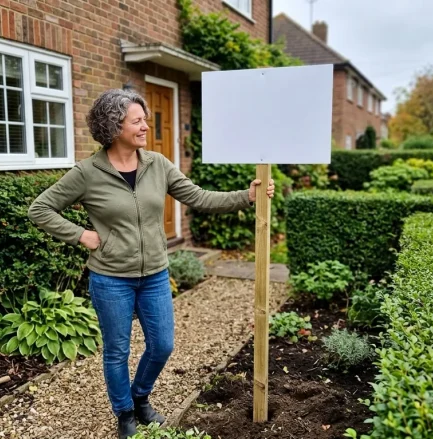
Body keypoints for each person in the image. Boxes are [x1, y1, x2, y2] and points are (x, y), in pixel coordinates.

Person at [27, 89, 274, 439]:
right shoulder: (87, 173)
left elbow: (198, 197)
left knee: (162, 345)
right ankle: (125, 413)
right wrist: (81, 235)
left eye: (145, 119)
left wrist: (246, 197)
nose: (146, 126)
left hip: (155, 273)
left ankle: (140, 396)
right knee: (117, 351)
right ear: (114, 126)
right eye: (137, 120)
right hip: (111, 277)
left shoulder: (158, 164)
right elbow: (39, 209)